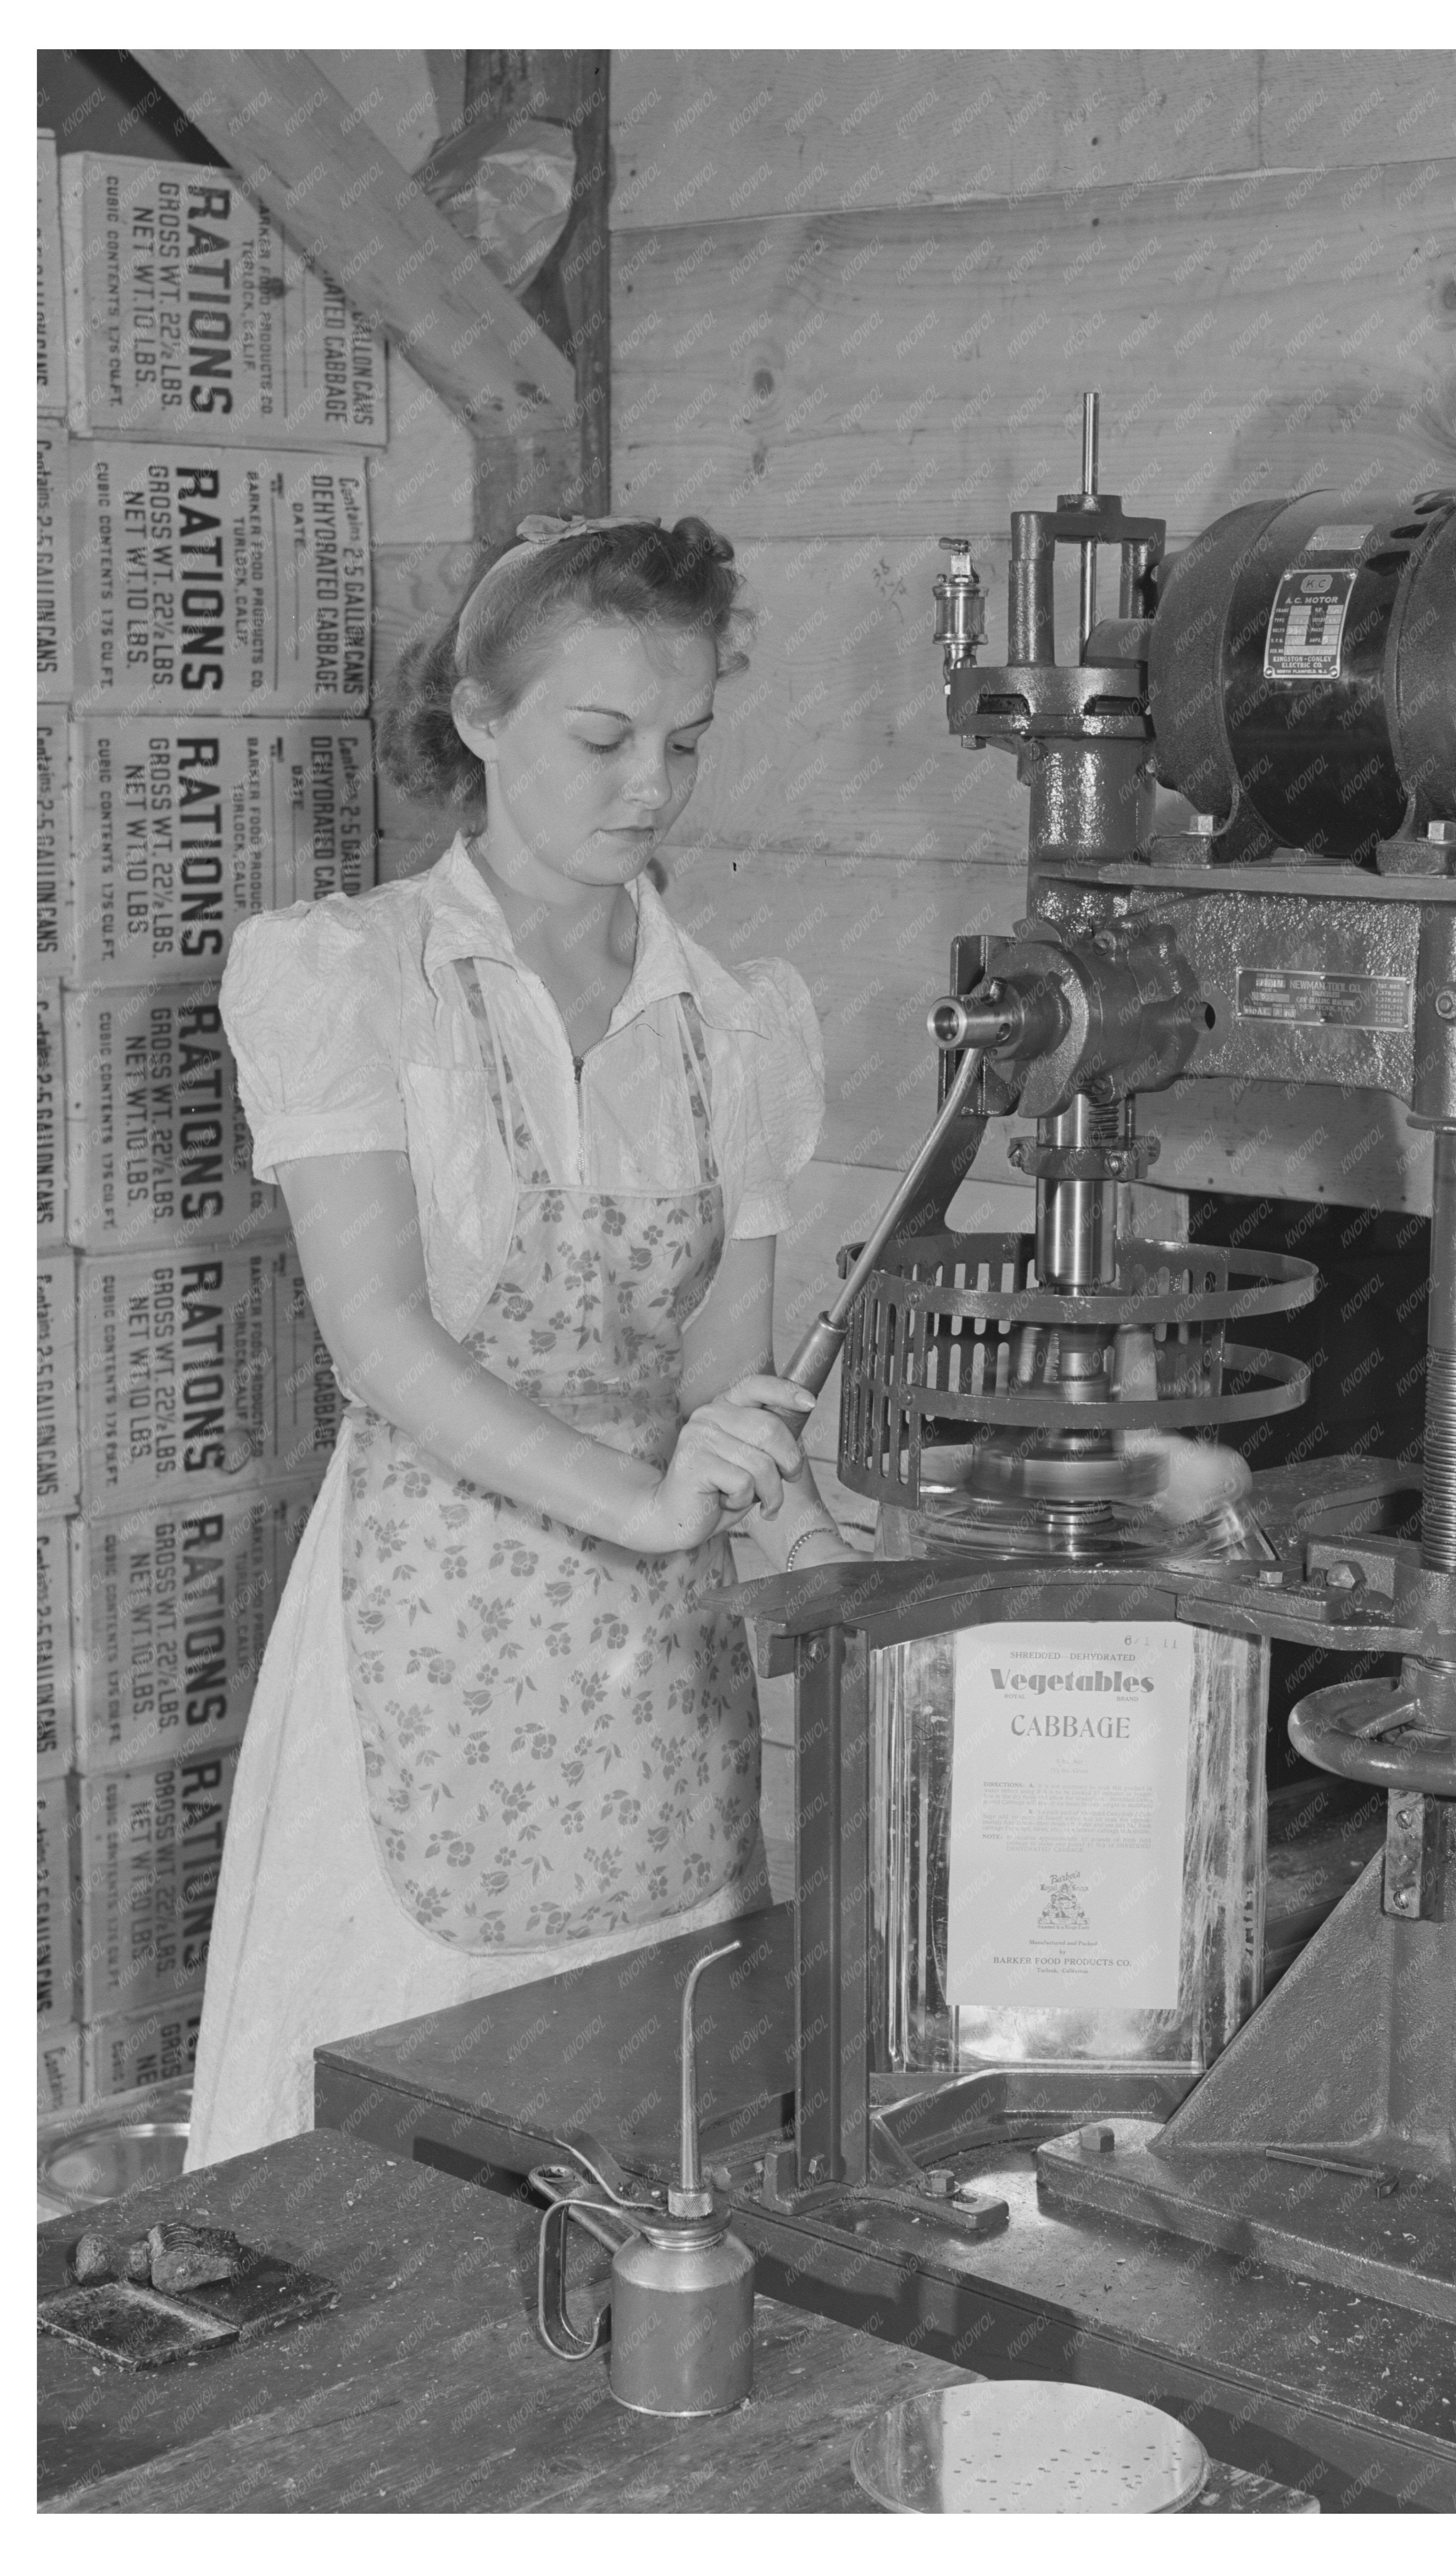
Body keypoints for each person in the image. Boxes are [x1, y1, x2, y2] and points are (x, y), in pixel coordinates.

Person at [187, 512, 848, 2166]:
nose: (650, 787)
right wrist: (634, 1504)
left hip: (658, 1658)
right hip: (433, 1610)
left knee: (653, 2105)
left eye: (683, 744)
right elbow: (382, 1342)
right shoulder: (350, 977)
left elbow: (720, 1372)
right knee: (407, 2120)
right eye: (604, 736)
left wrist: (807, 1545)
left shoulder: (738, 1021)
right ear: (481, 717)